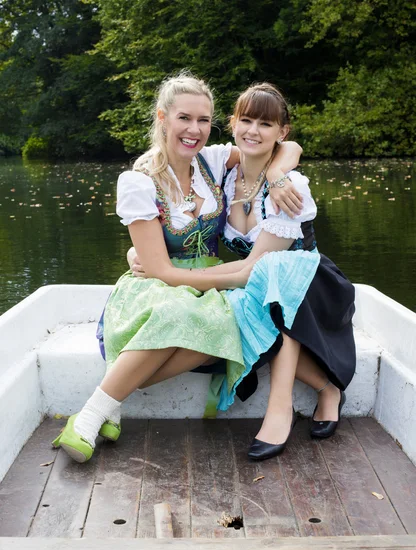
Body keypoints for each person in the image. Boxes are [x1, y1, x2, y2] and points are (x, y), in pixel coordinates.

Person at [52, 74, 302, 463]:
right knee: (179, 312)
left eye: (204, 121)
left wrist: (274, 174)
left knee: (224, 324)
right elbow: (160, 270)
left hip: (210, 278)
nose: (195, 130)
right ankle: (89, 416)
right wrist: (226, 278)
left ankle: (107, 405)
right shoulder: (139, 181)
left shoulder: (214, 160)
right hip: (159, 282)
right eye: (184, 118)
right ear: (163, 118)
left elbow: (284, 145)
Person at [131, 83, 356, 462]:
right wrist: (141, 253)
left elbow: (259, 267)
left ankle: (280, 409)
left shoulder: (291, 187)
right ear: (233, 125)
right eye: (246, 120)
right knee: (246, 302)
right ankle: (327, 388)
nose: (254, 131)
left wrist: (280, 173)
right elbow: (174, 219)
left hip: (309, 286)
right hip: (254, 281)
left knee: (274, 273)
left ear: (281, 133)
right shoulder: (221, 173)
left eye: (266, 124)